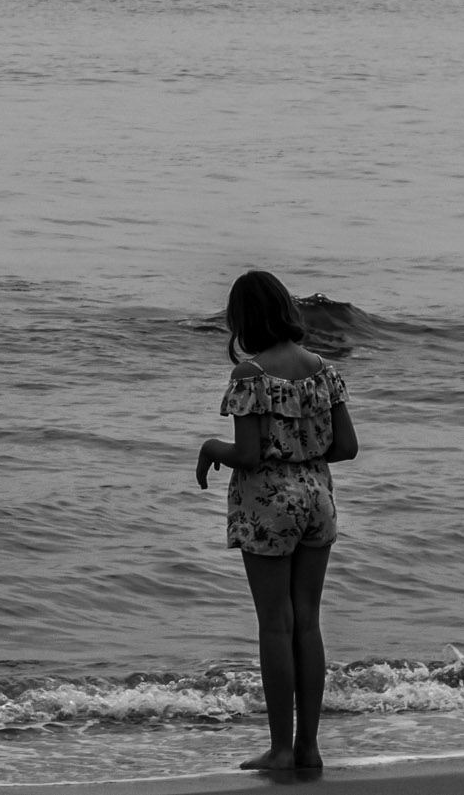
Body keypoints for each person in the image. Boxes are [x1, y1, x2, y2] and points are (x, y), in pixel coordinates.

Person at [195, 271, 358, 771]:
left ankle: (281, 749)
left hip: (267, 502)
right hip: (318, 497)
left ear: (243, 319)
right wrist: (305, 449)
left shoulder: (251, 375)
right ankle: (309, 747)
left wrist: (209, 448)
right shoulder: (323, 370)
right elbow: (347, 447)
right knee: (307, 622)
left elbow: (246, 453)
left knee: (275, 625)